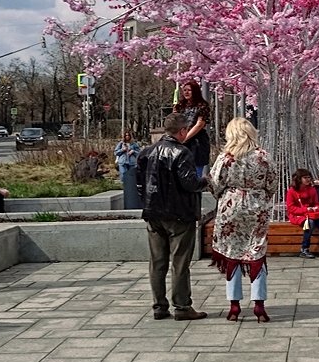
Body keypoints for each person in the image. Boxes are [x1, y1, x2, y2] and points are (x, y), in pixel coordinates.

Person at [139, 114, 207, 320]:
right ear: (182, 131)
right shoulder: (181, 153)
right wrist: (204, 181)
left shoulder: (146, 152)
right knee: (179, 262)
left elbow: (140, 184)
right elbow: (189, 183)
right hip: (179, 214)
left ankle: (159, 306)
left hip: (153, 213)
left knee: (157, 262)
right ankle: (182, 306)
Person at [209, 117, 276, 322]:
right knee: (256, 250)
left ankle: (234, 305)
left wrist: (227, 195)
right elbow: (272, 183)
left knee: (231, 252)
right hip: (256, 206)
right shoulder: (263, 156)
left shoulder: (225, 157)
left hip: (231, 206)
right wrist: (259, 196)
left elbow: (214, 183)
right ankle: (259, 304)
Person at [288, 168, 319, 258]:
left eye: (309, 177)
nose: (308, 179)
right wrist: (306, 209)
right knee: (310, 223)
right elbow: (290, 208)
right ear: (299, 179)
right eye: (305, 177)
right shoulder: (292, 191)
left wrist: (317, 208)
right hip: (298, 215)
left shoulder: (311, 190)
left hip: (312, 214)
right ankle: (304, 249)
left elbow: (316, 203)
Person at [172, 81, 213, 179]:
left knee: (195, 174)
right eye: (184, 90)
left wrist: (185, 138)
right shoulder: (180, 106)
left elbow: (199, 124)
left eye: (189, 90)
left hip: (197, 143)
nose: (186, 92)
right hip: (181, 142)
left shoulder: (202, 106)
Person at [115, 131, 141, 208]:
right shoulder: (121, 144)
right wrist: (122, 150)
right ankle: (123, 188)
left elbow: (139, 152)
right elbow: (116, 152)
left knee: (131, 177)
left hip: (132, 162)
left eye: (128, 135)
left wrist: (133, 151)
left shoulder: (134, 144)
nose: (127, 137)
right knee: (123, 175)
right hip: (123, 162)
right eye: (126, 135)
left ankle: (132, 188)